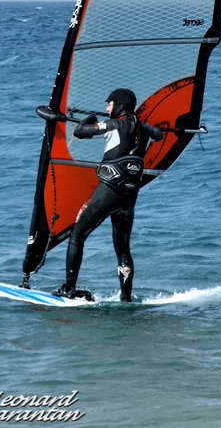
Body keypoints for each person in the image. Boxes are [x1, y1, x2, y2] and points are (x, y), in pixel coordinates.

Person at [54, 88, 164, 302]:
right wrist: (148, 126)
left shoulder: (115, 124)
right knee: (122, 247)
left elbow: (81, 132)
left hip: (109, 191)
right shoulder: (142, 128)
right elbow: (158, 135)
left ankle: (68, 288)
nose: (107, 108)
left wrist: (90, 118)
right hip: (128, 197)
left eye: (110, 104)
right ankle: (126, 297)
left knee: (77, 234)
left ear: (120, 105)